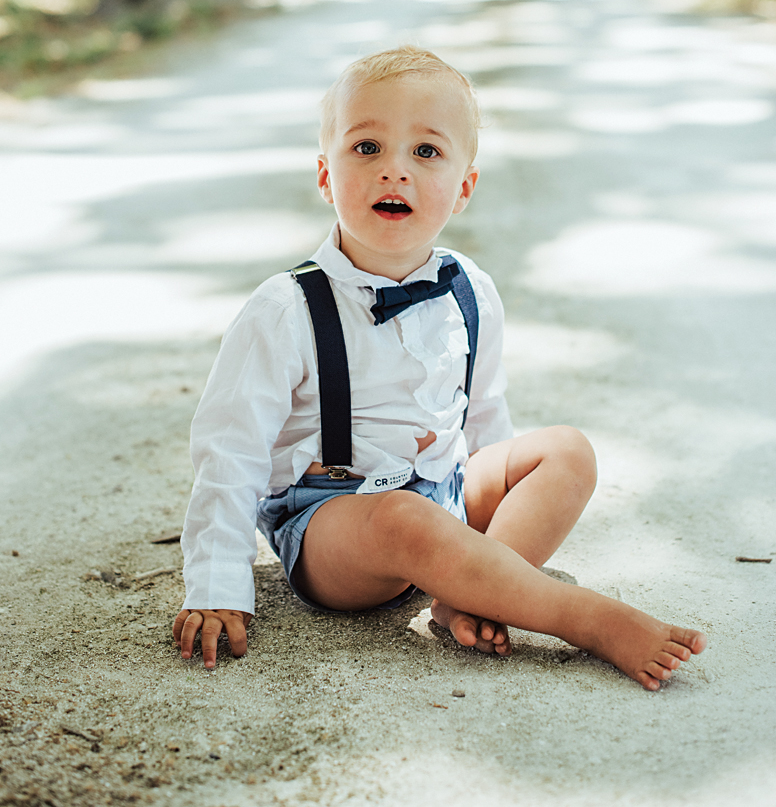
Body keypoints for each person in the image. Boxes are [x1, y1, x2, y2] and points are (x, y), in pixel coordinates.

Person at [174, 47, 706, 690]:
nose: (394, 170)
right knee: (404, 517)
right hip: (336, 525)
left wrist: (494, 502)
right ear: (324, 176)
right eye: (367, 148)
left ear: (463, 187)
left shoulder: (470, 289)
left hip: (443, 491)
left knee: (568, 452)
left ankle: (474, 593)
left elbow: (483, 417)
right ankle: (582, 618)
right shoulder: (285, 308)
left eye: (425, 152)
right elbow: (230, 451)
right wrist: (216, 585)